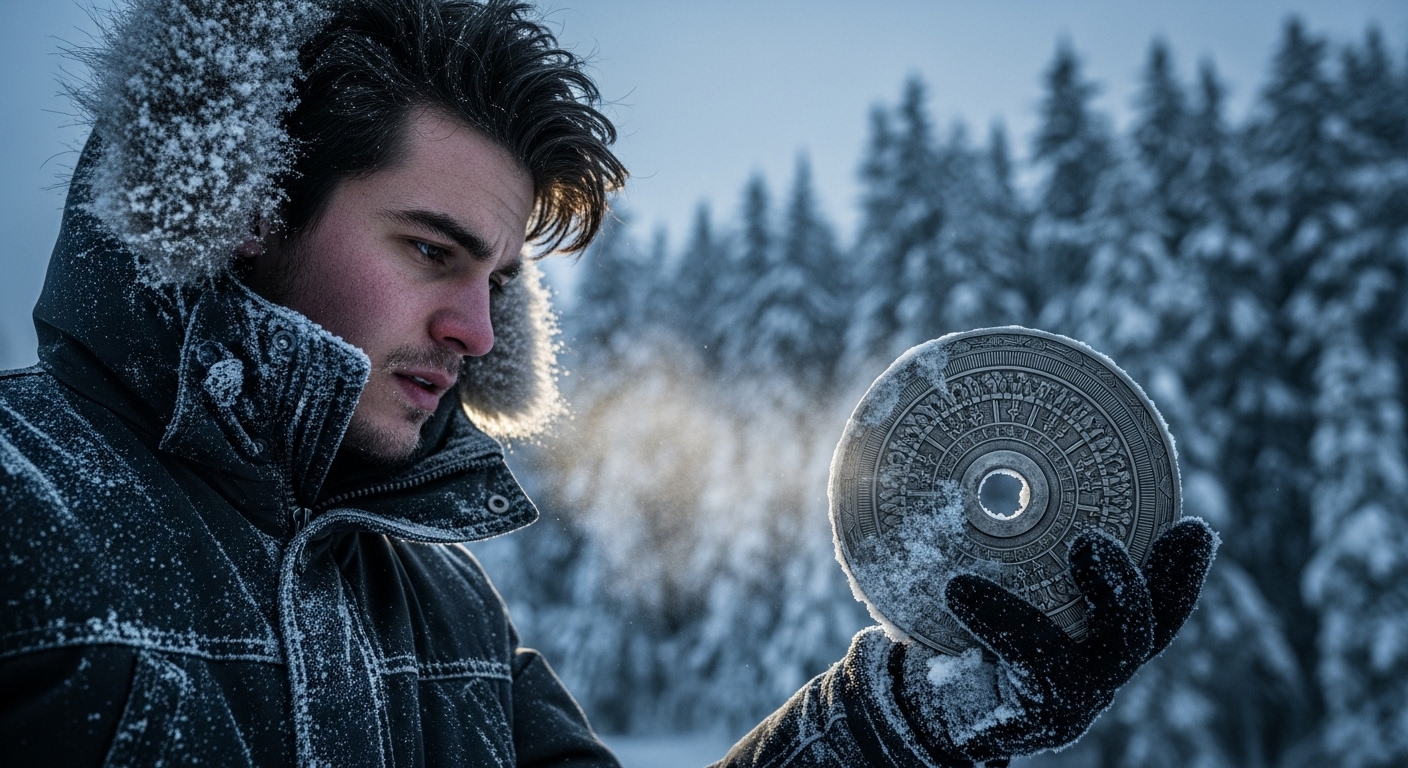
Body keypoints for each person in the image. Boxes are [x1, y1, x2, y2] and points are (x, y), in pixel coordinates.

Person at [0, 0, 1217, 765]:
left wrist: (909, 722)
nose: (477, 331)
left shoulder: (447, 607)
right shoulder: (21, 507)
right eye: (431, 250)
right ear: (251, 210)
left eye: (501, 280)